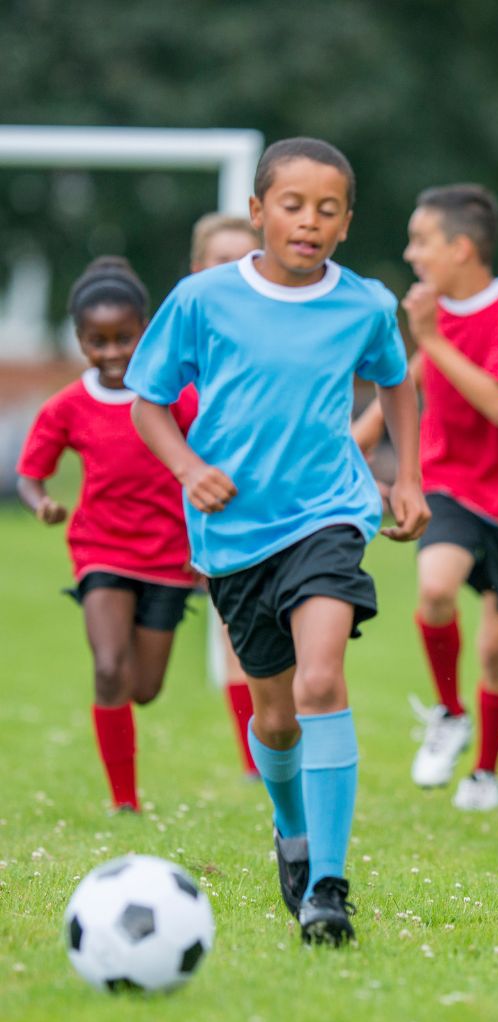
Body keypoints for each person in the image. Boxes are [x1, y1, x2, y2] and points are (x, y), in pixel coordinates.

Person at [127, 137, 429, 947]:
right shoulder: (201, 299)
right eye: (292, 205)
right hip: (233, 533)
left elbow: (395, 380)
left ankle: (328, 883)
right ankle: (291, 831)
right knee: (276, 717)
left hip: (329, 514)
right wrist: (190, 467)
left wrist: (407, 478)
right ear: (259, 212)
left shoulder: (364, 304)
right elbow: (147, 402)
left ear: (346, 222)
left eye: (327, 209)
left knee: (322, 679)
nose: (309, 221)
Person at [16, 257, 195, 813]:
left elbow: (212, 455)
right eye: (98, 341)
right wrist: (42, 501)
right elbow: (30, 472)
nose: (113, 352)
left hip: (170, 558)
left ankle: (126, 772)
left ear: (146, 332)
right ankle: (125, 803)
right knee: (109, 667)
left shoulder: (176, 396)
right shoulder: (68, 405)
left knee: (143, 687)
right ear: (79, 340)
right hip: (102, 550)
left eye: (125, 338)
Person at [403, 183, 498, 812]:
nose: (412, 255)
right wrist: (350, 446)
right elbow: (409, 387)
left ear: (461, 247)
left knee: (497, 650)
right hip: (449, 485)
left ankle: (485, 772)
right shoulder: (434, 311)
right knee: (435, 587)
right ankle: (449, 711)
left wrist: (431, 336)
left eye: (422, 242)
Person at [188, 213, 263, 780]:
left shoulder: (278, 340)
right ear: (198, 268)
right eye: (221, 260)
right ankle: (253, 761)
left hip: (272, 507)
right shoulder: (180, 345)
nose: (233, 272)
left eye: (245, 258)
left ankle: (278, 750)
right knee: (234, 629)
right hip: (196, 509)